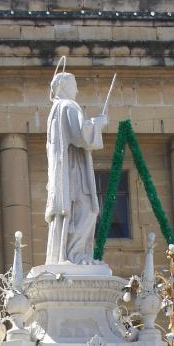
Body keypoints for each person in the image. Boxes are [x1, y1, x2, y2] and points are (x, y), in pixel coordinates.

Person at [45, 70, 108, 265]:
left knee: (75, 212)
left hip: (65, 171)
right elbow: (81, 135)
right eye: (74, 85)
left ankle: (66, 254)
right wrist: (99, 123)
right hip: (74, 171)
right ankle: (76, 255)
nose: (77, 90)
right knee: (88, 210)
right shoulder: (68, 106)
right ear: (64, 86)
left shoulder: (55, 110)